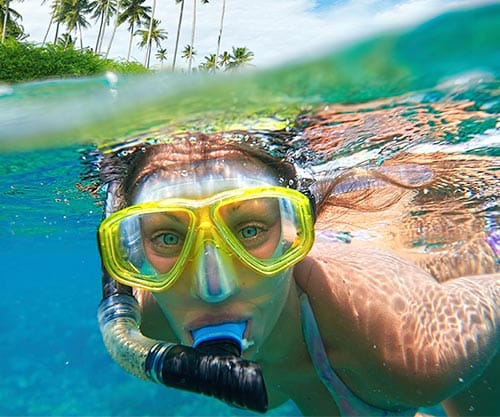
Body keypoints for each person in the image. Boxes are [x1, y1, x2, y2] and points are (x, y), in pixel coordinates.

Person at [95, 133, 498, 417]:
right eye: (168, 237)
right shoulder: (149, 320)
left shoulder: (411, 350)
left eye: (250, 230)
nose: (213, 288)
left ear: (297, 234)